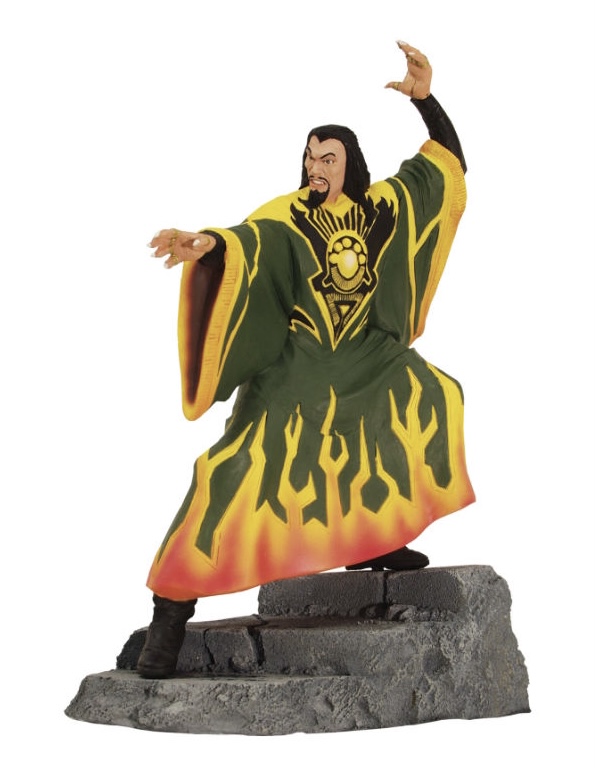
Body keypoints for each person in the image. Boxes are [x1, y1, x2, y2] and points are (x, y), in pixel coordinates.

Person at [138, 41, 475, 678]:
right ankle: (169, 615)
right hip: (299, 364)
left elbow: (447, 168)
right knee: (232, 472)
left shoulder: (382, 206)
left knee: (426, 396)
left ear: (350, 164)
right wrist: (207, 244)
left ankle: (375, 540)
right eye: (309, 157)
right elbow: (248, 241)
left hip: (366, 357)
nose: (316, 167)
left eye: (328, 158)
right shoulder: (287, 216)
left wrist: (427, 101)